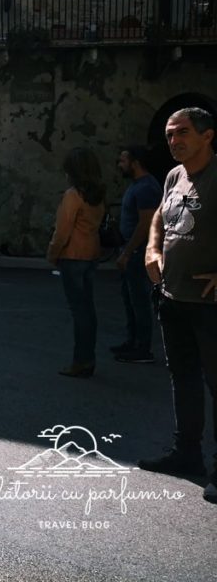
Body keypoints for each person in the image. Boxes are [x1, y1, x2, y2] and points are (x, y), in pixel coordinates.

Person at [139, 107, 217, 505]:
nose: (174, 141)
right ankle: (187, 453)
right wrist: (152, 248)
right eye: (170, 134)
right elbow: (159, 217)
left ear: (208, 136)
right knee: (183, 377)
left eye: (183, 132)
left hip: (210, 304)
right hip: (172, 296)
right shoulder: (174, 175)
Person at [47, 147, 106, 378]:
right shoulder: (97, 194)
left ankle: (82, 360)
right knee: (87, 310)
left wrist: (52, 253)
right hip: (91, 254)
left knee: (79, 311)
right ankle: (86, 358)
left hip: (73, 256)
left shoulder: (73, 195)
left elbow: (62, 231)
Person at [112, 145, 163, 363]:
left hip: (139, 251)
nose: (119, 164)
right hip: (131, 249)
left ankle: (143, 348)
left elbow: (146, 224)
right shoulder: (138, 186)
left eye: (123, 160)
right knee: (130, 298)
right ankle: (132, 341)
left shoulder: (146, 188)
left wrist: (128, 252)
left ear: (135, 162)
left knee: (139, 299)